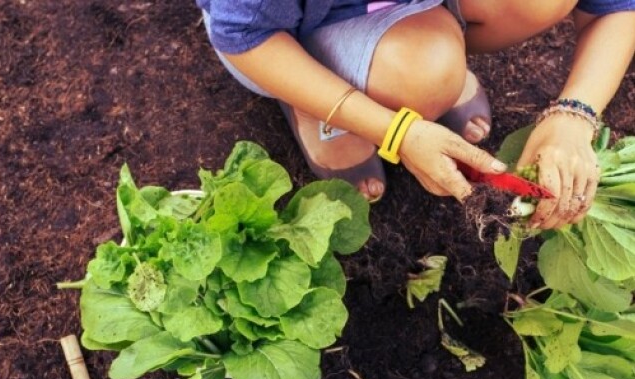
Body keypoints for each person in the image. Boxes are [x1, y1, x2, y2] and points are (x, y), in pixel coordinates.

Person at [195, 1, 635, 230]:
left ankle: (419, 50)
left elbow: (615, 6)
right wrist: (397, 131)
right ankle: (314, 95)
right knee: (425, 76)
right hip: (277, 31)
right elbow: (248, 35)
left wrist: (574, 114)